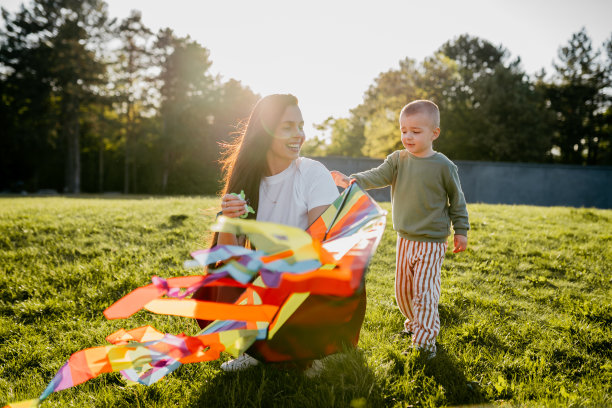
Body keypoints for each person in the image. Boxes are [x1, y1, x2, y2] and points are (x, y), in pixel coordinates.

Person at [204, 94, 339, 370]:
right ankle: (253, 349)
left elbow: (324, 245)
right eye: (287, 127)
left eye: (300, 126)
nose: (299, 135)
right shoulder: (248, 181)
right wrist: (229, 221)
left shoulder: (313, 173)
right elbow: (229, 259)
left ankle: (309, 350)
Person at [331, 99, 469, 357]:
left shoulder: (444, 167)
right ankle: (415, 323)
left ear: (434, 133)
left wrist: (461, 230)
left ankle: (425, 344)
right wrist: (355, 180)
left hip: (432, 241)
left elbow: (457, 201)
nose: (408, 136)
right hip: (404, 239)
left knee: (424, 292)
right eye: (404, 130)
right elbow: (377, 175)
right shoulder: (398, 160)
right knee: (403, 292)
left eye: (416, 132)